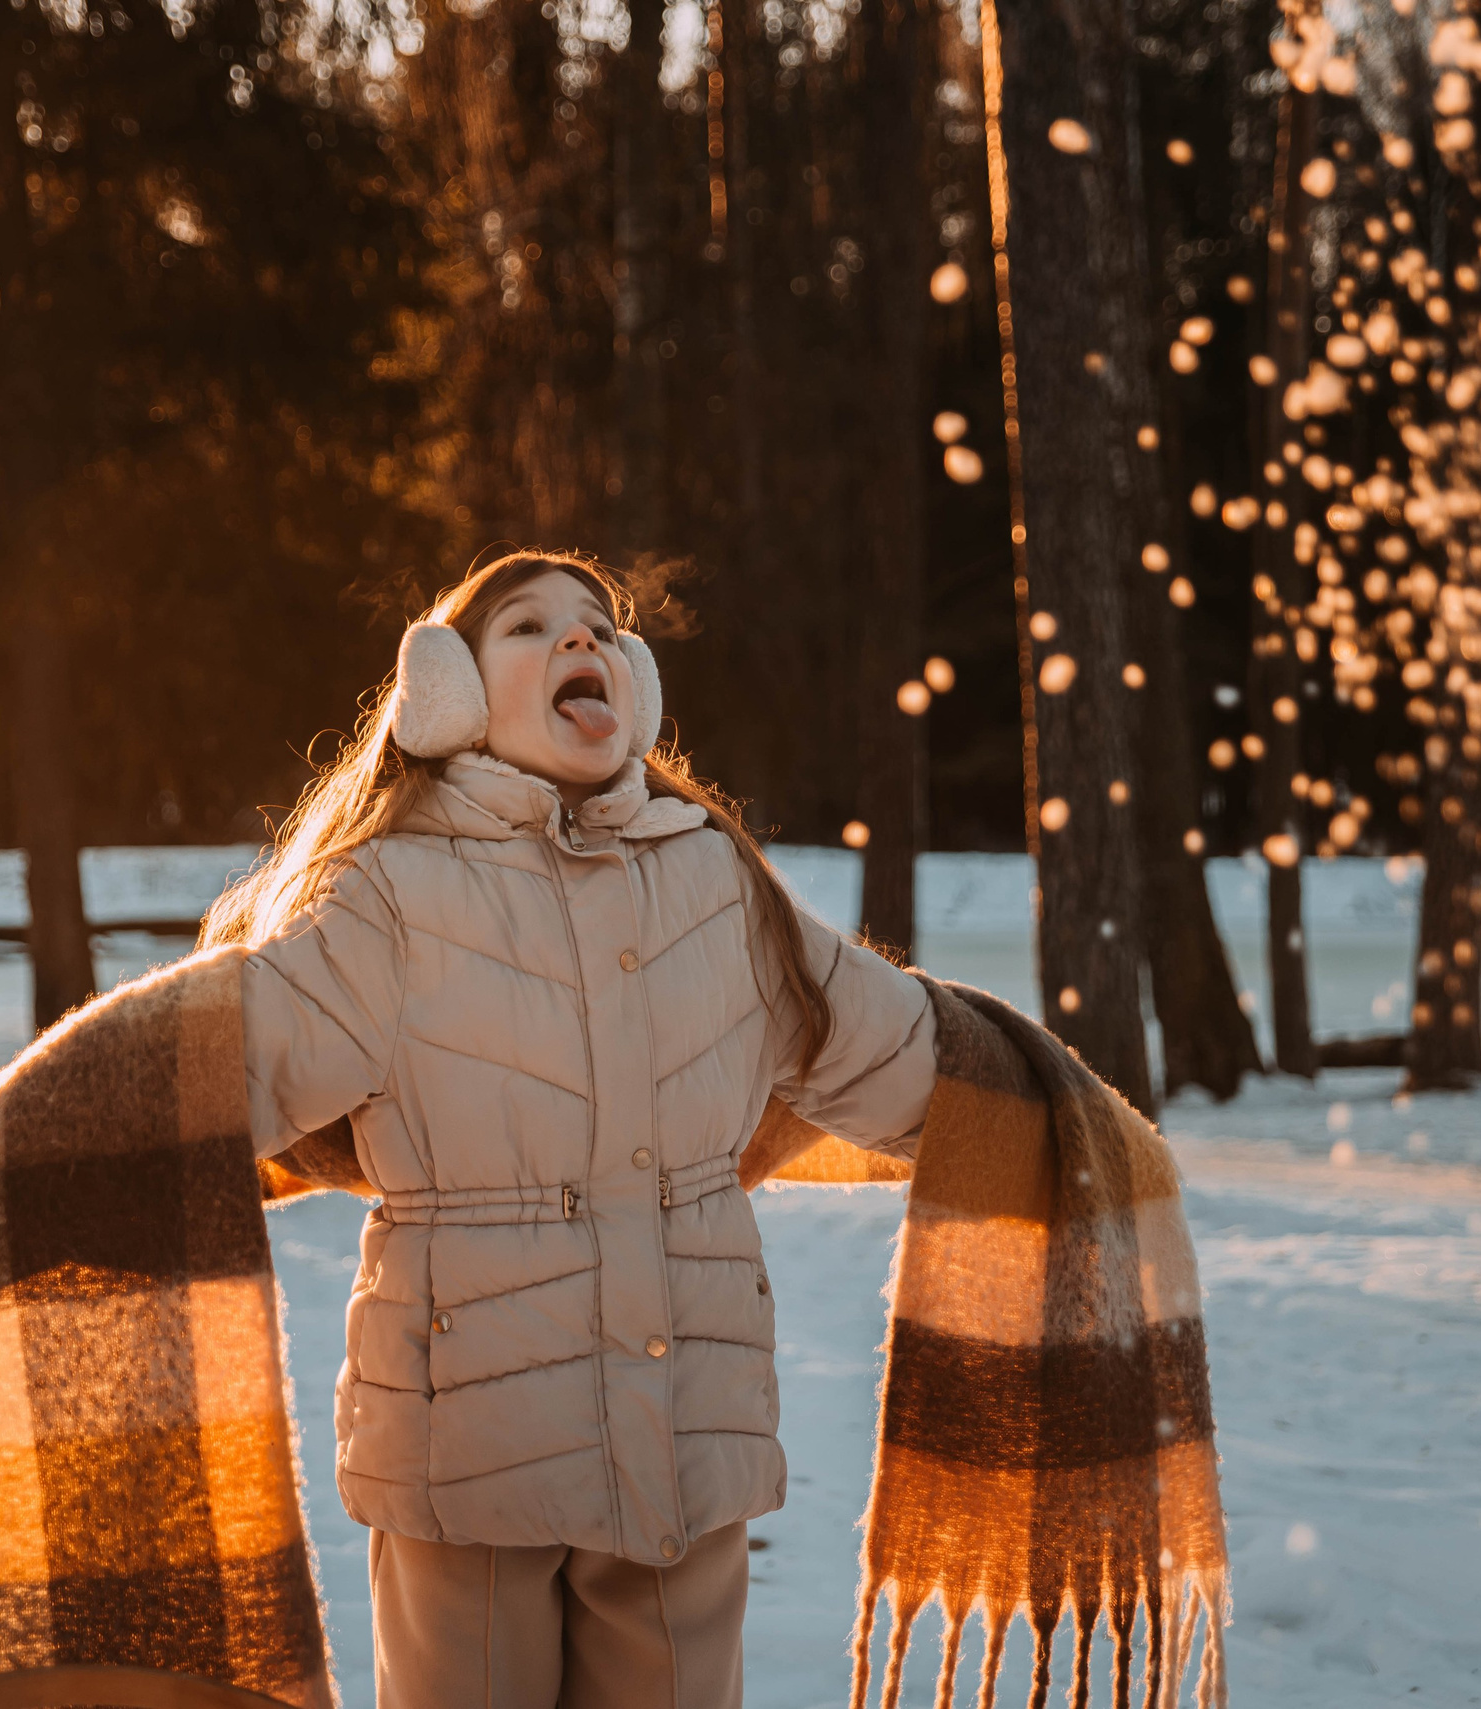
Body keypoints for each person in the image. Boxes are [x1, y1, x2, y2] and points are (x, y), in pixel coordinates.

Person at [203, 550, 936, 1709]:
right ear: (445, 691)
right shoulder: (388, 893)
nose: (578, 639)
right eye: (528, 626)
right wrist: (75, 1123)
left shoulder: (715, 877)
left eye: (598, 625)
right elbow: (242, 1054)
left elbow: (884, 1041)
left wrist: (1041, 1108)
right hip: (468, 1453)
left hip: (686, 1445)